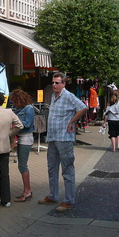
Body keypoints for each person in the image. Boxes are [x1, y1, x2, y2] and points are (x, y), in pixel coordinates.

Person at [39, 72, 87, 212]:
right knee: (52, 168)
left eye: (57, 82)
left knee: (67, 169)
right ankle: (53, 195)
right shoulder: (54, 96)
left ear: (63, 84)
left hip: (64, 137)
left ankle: (68, 200)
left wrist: (72, 121)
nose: (54, 85)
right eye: (53, 82)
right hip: (53, 137)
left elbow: (83, 107)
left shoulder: (68, 96)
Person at [9, 89, 35, 202]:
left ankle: (27, 191)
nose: (14, 103)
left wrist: (14, 122)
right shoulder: (20, 108)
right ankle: (28, 189)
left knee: (22, 165)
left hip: (26, 138)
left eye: (15, 101)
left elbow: (27, 123)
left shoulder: (29, 108)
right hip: (21, 138)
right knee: (22, 165)